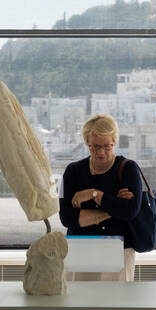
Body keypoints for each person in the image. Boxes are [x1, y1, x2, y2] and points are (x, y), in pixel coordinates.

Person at [58, 114, 143, 282]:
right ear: (87, 143)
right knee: (79, 304)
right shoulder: (73, 171)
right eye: (94, 147)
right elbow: (67, 218)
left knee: (117, 305)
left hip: (119, 250)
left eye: (107, 146)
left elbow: (131, 211)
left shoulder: (128, 168)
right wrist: (113, 208)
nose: (101, 152)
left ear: (114, 142)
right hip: (80, 249)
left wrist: (93, 194)